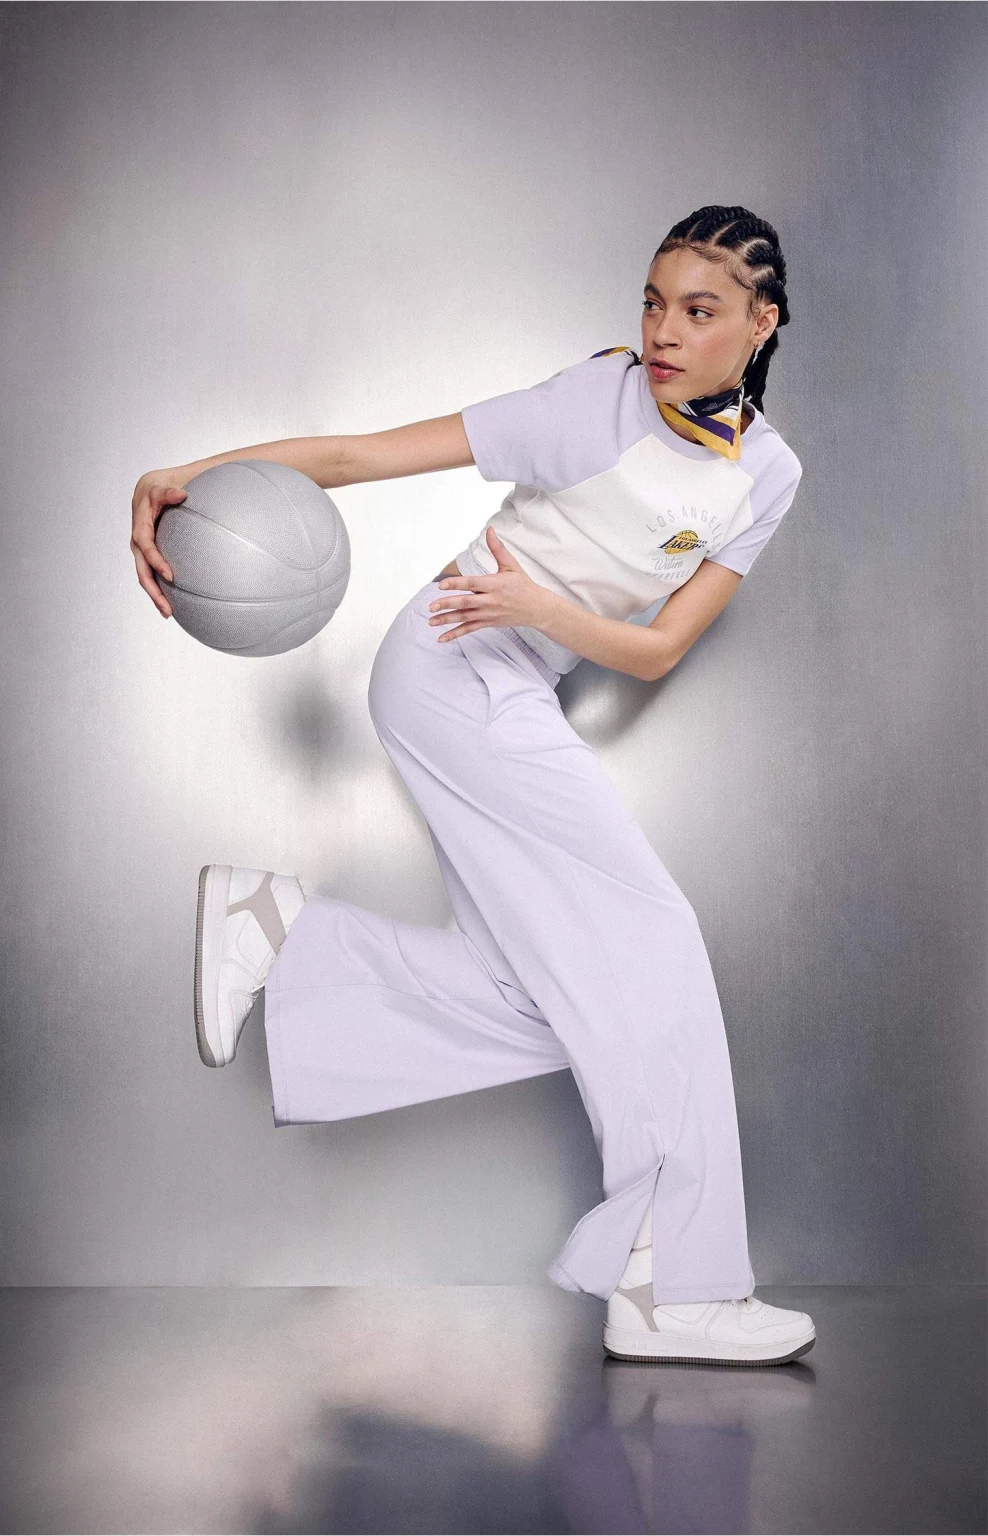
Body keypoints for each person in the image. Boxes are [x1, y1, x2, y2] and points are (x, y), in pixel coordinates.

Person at [130, 204, 816, 1367]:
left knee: (556, 991)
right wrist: (182, 477)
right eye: (652, 303)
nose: (663, 332)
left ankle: (281, 934)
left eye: (698, 311)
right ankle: (674, 1289)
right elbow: (357, 458)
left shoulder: (768, 476)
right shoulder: (587, 406)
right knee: (654, 940)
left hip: (516, 675)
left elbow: (657, 650)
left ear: (761, 323)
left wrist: (545, 611)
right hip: (451, 665)